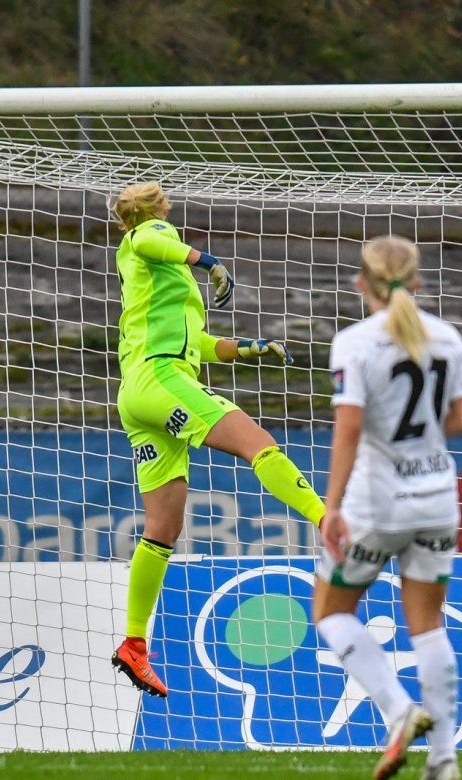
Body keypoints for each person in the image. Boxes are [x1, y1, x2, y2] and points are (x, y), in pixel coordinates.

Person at [108, 182, 326, 698]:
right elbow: (150, 238)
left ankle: (133, 643)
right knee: (259, 444)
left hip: (140, 393)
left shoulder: (156, 280)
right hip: (161, 380)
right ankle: (330, 523)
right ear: (159, 211)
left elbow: (200, 344)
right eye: (164, 208)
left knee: (163, 527)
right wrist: (210, 262)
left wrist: (249, 347)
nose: (167, 215)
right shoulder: (150, 238)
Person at [314, 236, 462, 780]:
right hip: (437, 500)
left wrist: (332, 506)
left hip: (377, 503)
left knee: (331, 612)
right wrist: (423, 439)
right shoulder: (448, 338)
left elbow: (349, 430)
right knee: (428, 627)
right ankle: (445, 761)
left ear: (362, 283)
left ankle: (398, 710)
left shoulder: (355, 342)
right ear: (418, 281)